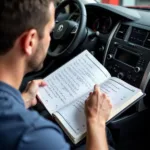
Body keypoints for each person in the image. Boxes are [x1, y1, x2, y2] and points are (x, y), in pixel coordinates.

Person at [0, 0, 114, 150]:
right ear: (30, 41)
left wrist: (23, 99)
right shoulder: (35, 135)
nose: (50, 38)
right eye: (49, 32)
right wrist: (96, 121)